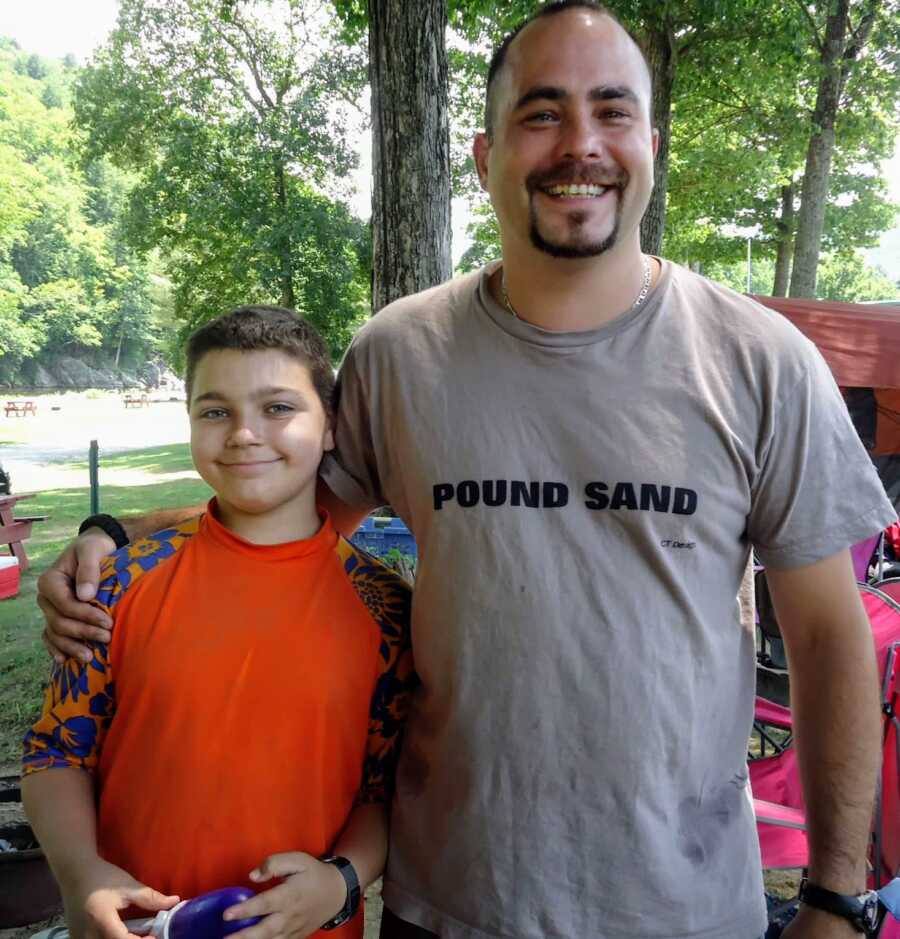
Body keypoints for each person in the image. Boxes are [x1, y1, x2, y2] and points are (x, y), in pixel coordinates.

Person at [37, 3, 897, 938]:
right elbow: (275, 512)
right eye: (542, 113)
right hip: (445, 900)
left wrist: (834, 896)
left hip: (682, 906)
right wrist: (113, 535)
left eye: (611, 112)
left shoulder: (760, 358)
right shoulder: (401, 352)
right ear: (486, 156)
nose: (580, 144)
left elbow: (827, 641)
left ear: (650, 143)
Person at [23, 306, 414, 939]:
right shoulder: (120, 585)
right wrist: (80, 874)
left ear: (332, 427)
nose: (243, 434)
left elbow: (385, 790)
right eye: (215, 411)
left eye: (278, 408)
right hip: (135, 921)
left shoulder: (385, 607)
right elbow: (56, 752)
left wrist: (343, 878)